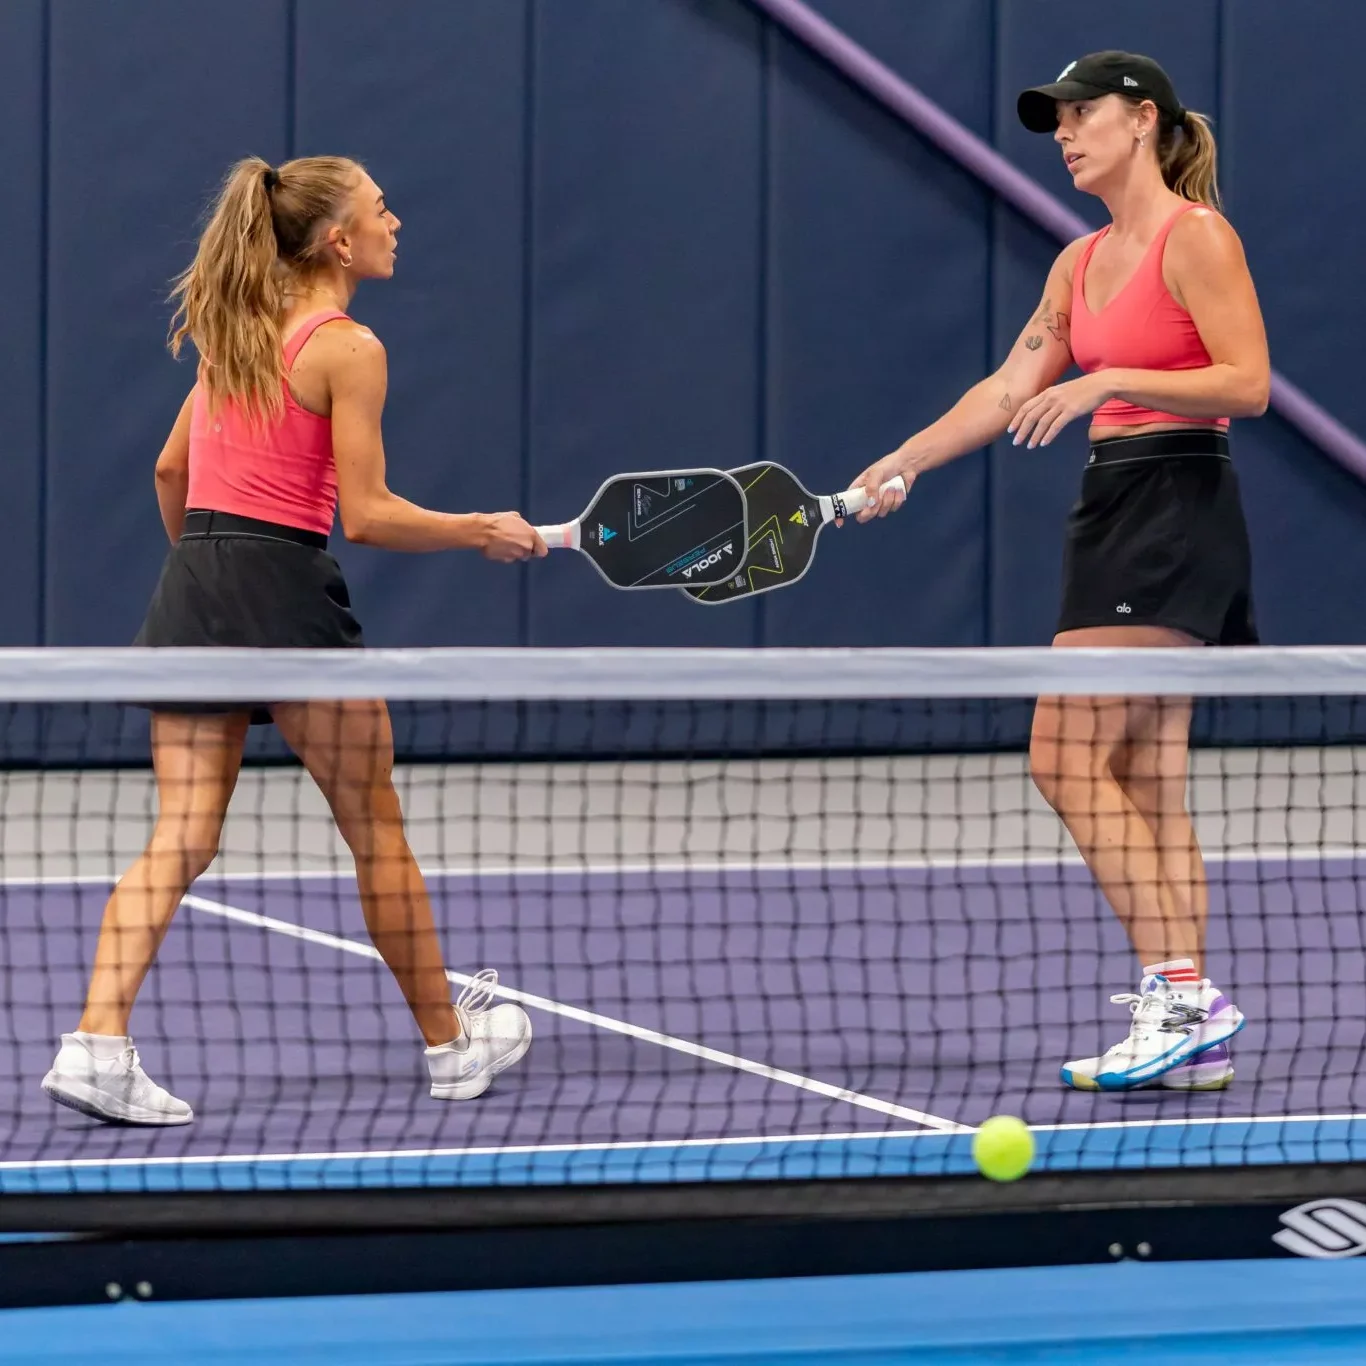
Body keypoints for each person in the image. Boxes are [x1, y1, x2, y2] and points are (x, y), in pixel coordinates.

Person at [42, 155, 547, 1125]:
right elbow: (369, 515)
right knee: (374, 828)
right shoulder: (349, 347)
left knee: (181, 835)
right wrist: (478, 529)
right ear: (339, 242)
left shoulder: (234, 335)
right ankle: (451, 1049)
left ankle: (95, 1044)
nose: (396, 222)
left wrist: (209, 579)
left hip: (196, 583)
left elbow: (169, 472)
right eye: (381, 210)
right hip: (285, 588)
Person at [850, 53, 1270, 1093]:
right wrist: (904, 459)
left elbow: (1248, 383)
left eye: (1082, 114)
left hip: (1175, 504)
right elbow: (1007, 388)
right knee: (1147, 778)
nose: (1065, 133)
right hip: (1111, 509)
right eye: (1057, 120)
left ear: (1142, 119)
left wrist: (1110, 378)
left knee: (1062, 755)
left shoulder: (1197, 236)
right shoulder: (1076, 263)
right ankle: (1195, 1029)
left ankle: (1181, 996)